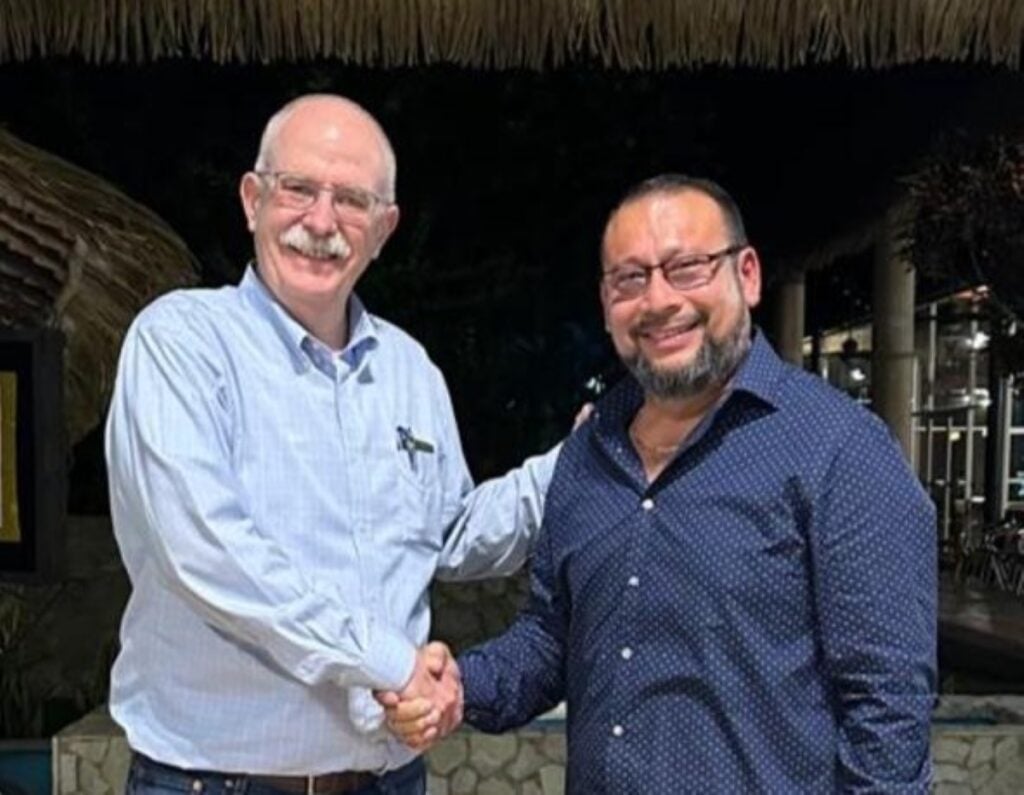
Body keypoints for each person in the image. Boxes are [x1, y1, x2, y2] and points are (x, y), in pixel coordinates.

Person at [383, 175, 938, 793]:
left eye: (687, 268)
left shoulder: (839, 449)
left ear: (747, 276)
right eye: (631, 278)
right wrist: (460, 686)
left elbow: (888, 706)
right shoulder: (588, 454)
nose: (658, 300)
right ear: (606, 303)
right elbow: (551, 638)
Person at [104, 94, 557, 795]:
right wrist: (392, 663)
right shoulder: (183, 342)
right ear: (252, 200)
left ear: (384, 228)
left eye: (351, 200)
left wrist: (586, 458)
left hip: (387, 779)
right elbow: (211, 551)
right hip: (218, 783)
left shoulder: (408, 369)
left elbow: (450, 534)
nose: (321, 222)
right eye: (298, 189)